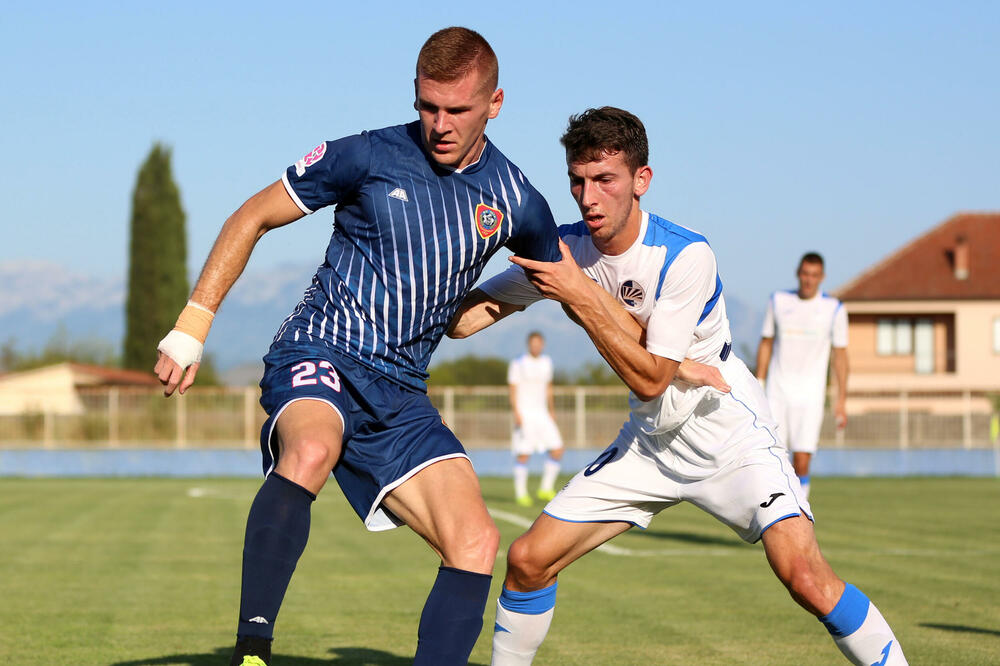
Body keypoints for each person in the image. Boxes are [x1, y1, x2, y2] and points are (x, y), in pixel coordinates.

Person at [153, 27, 562, 666]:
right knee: (313, 448)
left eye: (457, 109)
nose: (440, 125)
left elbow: (556, 276)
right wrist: (191, 326)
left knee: (477, 541)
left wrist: (493, 304)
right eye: (428, 106)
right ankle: (251, 653)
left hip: (400, 393)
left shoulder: (517, 200)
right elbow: (251, 216)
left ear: (495, 103)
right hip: (321, 350)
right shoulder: (367, 154)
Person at [449, 107, 906, 665]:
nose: (589, 197)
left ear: (641, 180)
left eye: (605, 179)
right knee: (527, 561)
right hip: (650, 442)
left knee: (806, 578)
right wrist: (439, 262)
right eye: (577, 180)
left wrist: (576, 292)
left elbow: (650, 378)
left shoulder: (685, 255)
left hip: (727, 432)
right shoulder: (566, 251)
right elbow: (464, 321)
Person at [756, 253, 849, 499]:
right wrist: (759, 383)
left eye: (814, 275)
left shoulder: (834, 309)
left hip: (810, 396)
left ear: (822, 277)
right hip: (777, 392)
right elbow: (766, 342)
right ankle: (775, 511)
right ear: (798, 273)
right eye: (805, 274)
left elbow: (840, 356)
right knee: (774, 457)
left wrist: (841, 400)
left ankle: (800, 512)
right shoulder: (778, 301)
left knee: (802, 460)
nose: (809, 280)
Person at [508, 331, 564, 506]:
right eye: (533, 343)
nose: (536, 346)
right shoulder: (518, 363)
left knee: (557, 449)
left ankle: (545, 488)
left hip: (543, 413)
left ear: (543, 345)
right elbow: (512, 390)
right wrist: (516, 412)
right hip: (525, 414)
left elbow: (548, 388)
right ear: (529, 344)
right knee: (524, 453)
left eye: (539, 343)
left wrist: (551, 410)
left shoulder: (547, 362)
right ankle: (521, 494)